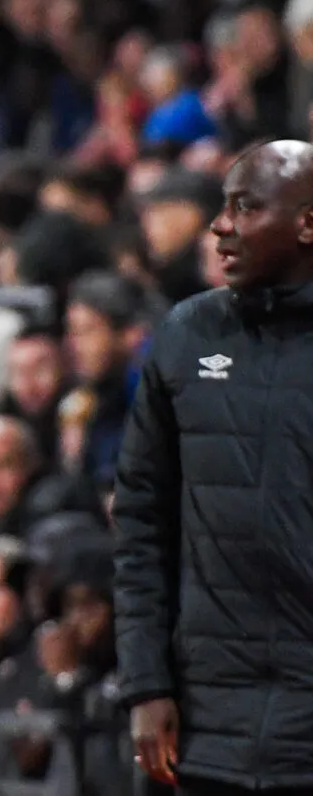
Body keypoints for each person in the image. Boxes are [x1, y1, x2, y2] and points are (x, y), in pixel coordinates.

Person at [114, 139, 313, 795]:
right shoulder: (184, 334)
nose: (219, 226)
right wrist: (144, 682)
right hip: (206, 726)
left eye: (245, 207)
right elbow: (141, 520)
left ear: (307, 223)